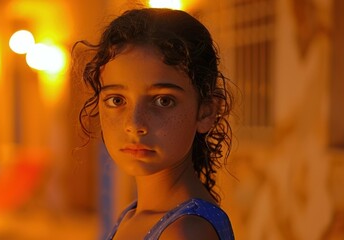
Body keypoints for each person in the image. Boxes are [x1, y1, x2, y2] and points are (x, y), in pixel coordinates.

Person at [75, 7, 235, 240]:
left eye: (163, 100)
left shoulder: (185, 232)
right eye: (116, 100)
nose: (134, 123)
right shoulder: (132, 216)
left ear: (206, 111)